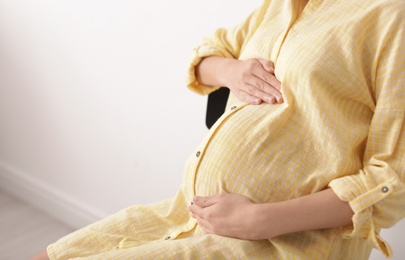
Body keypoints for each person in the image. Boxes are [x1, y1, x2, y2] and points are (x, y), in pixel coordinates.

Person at [33, 0, 405, 259]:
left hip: (282, 243)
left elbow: (392, 179)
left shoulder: (391, 17)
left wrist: (259, 220)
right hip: (186, 212)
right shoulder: (278, 6)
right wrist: (232, 71)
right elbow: (206, 54)